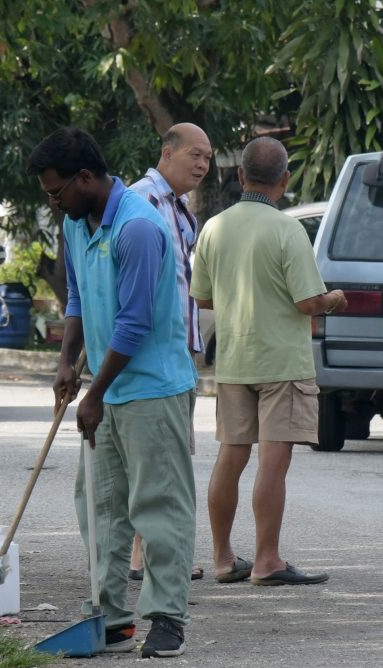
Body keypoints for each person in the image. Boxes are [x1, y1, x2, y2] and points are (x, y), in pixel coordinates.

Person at [26, 127, 197, 657]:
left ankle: (167, 618)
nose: (54, 202)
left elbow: (135, 322)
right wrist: (65, 363)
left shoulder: (139, 228)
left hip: (151, 390)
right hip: (106, 387)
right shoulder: (76, 222)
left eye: (57, 192)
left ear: (86, 178)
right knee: (100, 508)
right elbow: (76, 295)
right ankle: (113, 616)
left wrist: (94, 393)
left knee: (158, 504)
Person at [189, 136, 348, 586]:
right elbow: (307, 302)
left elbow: (201, 296)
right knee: (272, 463)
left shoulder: (214, 227)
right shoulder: (286, 230)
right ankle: (266, 561)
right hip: (281, 362)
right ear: (285, 181)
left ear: (240, 176)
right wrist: (334, 299)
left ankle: (223, 558)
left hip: (235, 359)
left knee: (230, 458)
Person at [127, 122, 213, 583]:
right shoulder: (143, 201)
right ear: (167, 152)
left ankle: (157, 552)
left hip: (178, 353)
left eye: (207, 157)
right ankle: (147, 558)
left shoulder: (178, 207)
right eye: (194, 155)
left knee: (170, 456)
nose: (202, 165)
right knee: (157, 460)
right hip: (153, 355)